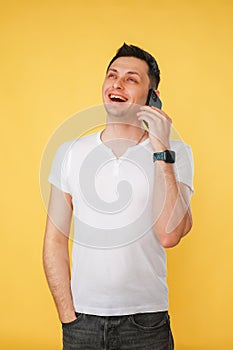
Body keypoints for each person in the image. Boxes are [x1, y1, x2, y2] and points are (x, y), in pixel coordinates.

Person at [43, 43, 194, 350]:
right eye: (112, 75)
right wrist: (67, 315)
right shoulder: (71, 152)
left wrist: (161, 150)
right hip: (81, 321)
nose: (117, 83)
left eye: (131, 79)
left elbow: (169, 234)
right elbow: (54, 241)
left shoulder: (176, 154)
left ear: (153, 98)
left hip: (147, 322)